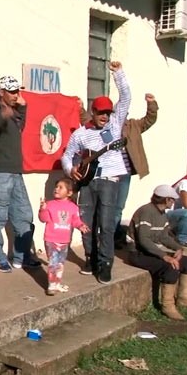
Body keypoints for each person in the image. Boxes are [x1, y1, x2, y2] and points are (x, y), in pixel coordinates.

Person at [61, 61, 131, 284]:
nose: (105, 117)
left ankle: (105, 263)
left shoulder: (115, 124)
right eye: (101, 113)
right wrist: (70, 169)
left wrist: (118, 72)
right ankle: (90, 259)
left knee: (107, 224)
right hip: (88, 182)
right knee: (86, 223)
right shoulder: (81, 134)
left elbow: (127, 97)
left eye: (108, 113)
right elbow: (67, 154)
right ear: (93, 111)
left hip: (110, 180)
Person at [0, 75, 41, 273]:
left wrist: (23, 107)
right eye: (12, 92)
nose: (16, 95)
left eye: (17, 92)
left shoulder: (12, 112)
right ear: (1, 92)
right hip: (0, 173)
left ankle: (21, 256)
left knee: (24, 215)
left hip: (15, 173)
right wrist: (1, 117)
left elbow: (20, 127)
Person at [80, 93, 159, 243]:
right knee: (102, 206)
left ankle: (110, 239)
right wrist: (80, 108)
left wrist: (151, 104)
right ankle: (99, 237)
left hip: (124, 175)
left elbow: (149, 120)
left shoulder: (133, 126)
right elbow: (86, 121)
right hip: (107, 174)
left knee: (118, 207)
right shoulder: (103, 129)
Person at [127, 185, 187, 320]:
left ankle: (184, 299)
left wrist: (178, 248)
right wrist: (164, 256)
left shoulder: (162, 214)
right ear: (167, 199)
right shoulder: (146, 212)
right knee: (170, 267)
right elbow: (143, 240)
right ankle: (167, 306)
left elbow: (164, 237)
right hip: (138, 254)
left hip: (152, 251)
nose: (173, 202)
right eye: (172, 200)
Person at [38, 178, 90, 295]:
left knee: (61, 263)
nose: (56, 189)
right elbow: (43, 219)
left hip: (65, 241)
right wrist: (43, 209)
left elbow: (75, 220)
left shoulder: (73, 207)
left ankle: (57, 283)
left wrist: (80, 225)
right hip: (51, 239)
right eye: (56, 186)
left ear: (69, 192)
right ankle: (51, 285)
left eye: (60, 187)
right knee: (53, 262)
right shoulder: (50, 204)